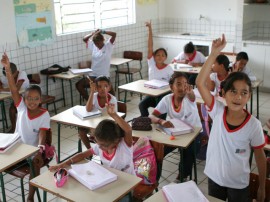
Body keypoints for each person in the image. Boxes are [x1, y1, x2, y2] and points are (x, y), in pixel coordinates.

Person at [196, 34, 266, 201]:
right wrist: (213, 54)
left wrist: (262, 187)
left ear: (249, 97)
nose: (238, 97)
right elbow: (200, 83)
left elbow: (260, 157)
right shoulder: (217, 110)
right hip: (214, 178)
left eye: (244, 93)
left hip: (238, 184)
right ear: (224, 93)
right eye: (233, 91)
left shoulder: (254, 125)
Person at [49, 104, 134, 201]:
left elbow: (128, 130)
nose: (100, 147)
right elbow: (83, 155)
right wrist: (63, 164)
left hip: (127, 185)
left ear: (116, 141)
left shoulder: (124, 146)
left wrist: (114, 115)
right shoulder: (100, 147)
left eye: (104, 145)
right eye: (98, 143)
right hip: (109, 183)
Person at [1, 53, 50, 202]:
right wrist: (8, 69)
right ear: (24, 99)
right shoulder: (21, 107)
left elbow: (43, 134)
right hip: (16, 148)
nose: (32, 102)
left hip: (33, 151)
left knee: (35, 164)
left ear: (40, 100)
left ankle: (30, 197)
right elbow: (14, 90)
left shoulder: (44, 114)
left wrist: (40, 148)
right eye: (29, 98)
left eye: (36, 99)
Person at [149, 72, 202, 182]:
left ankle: (182, 177)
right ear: (171, 87)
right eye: (178, 84)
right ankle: (153, 179)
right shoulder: (167, 99)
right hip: (175, 133)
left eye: (185, 83)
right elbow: (151, 116)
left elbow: (192, 96)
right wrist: (161, 121)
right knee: (158, 151)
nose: (182, 87)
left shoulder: (189, 98)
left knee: (188, 153)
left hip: (193, 134)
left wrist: (190, 92)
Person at [139, 21, 173, 117]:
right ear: (153, 57)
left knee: (160, 108)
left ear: (166, 57)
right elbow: (150, 46)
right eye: (157, 55)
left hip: (163, 96)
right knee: (142, 105)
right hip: (152, 94)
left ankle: (161, 123)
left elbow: (172, 84)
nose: (160, 57)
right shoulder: (152, 64)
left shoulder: (169, 69)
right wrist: (150, 29)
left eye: (163, 55)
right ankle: (145, 122)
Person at [76, 29, 116, 101]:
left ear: (102, 40)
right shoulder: (94, 46)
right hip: (93, 75)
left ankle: (115, 106)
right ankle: (90, 101)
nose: (97, 45)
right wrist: (93, 33)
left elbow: (114, 34)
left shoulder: (108, 46)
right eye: (96, 44)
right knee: (79, 85)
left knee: (112, 96)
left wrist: (103, 31)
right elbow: (85, 39)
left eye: (99, 43)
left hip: (104, 76)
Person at [78, 75, 117, 149]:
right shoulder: (94, 96)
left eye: (105, 86)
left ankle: (101, 149)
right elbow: (88, 109)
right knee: (81, 131)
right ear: (95, 88)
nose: (102, 89)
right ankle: (90, 150)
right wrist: (92, 92)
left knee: (96, 132)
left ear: (109, 87)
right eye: (99, 86)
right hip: (94, 124)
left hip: (106, 125)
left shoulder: (112, 99)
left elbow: (114, 117)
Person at [0, 62, 30, 133]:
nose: (9, 77)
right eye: (7, 75)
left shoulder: (22, 74)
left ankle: (24, 127)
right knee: (12, 110)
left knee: (14, 109)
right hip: (18, 99)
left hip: (28, 98)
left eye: (11, 75)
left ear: (16, 71)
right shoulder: (6, 75)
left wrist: (2, 90)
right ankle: (14, 129)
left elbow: (17, 88)